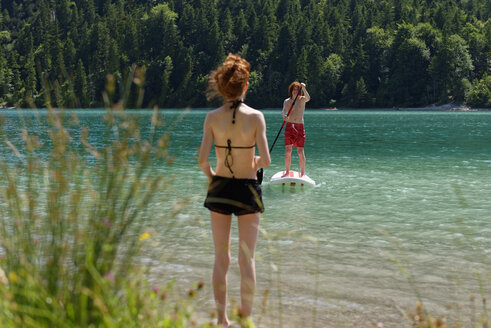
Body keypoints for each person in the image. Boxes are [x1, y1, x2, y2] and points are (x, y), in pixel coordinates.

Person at [198, 53, 271, 328]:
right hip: (247, 188)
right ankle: (246, 321)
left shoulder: (211, 117)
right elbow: (266, 160)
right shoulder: (256, 117)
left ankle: (221, 320)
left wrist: (212, 178)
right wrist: (253, 162)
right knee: (246, 259)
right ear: (245, 86)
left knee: (221, 257)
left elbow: (202, 160)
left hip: (220, 186)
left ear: (221, 87)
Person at [282, 81, 310, 177]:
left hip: (299, 127)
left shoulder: (302, 99)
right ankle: (287, 172)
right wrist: (284, 116)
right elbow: (284, 111)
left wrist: (304, 88)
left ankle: (303, 174)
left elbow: (308, 98)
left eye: (297, 89)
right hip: (289, 126)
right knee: (288, 150)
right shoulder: (287, 101)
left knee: (300, 151)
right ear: (291, 90)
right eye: (294, 89)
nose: (295, 91)